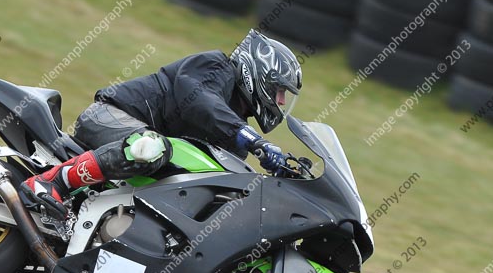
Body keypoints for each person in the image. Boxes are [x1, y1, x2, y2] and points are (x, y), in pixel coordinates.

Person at [20, 29, 303, 219]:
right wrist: (254, 140)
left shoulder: (234, 134)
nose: (279, 103)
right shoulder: (216, 68)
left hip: (136, 148)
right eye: (279, 92)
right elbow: (200, 102)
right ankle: (50, 182)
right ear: (259, 73)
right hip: (110, 116)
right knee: (152, 147)